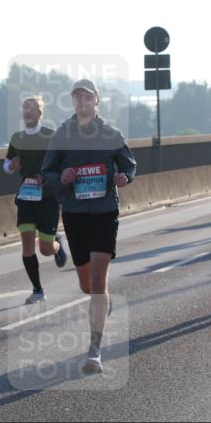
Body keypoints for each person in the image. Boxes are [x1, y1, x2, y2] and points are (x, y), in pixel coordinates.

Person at [42, 79, 136, 375]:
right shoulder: (62, 135)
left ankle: (94, 350)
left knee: (98, 282)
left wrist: (125, 177)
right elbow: (47, 171)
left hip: (105, 212)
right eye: (77, 97)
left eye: (87, 97)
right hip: (74, 213)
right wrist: (63, 177)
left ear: (97, 100)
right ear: (73, 102)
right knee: (87, 285)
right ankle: (100, 302)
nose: (82, 101)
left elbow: (129, 164)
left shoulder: (111, 134)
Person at [4, 96, 67, 304]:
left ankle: (56, 244)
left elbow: (60, 163)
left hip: (47, 197)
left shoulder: (51, 136)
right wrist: (11, 166)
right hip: (26, 197)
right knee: (27, 239)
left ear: (40, 113)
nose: (27, 112)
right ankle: (38, 289)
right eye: (25, 108)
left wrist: (46, 177)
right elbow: (6, 165)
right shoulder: (17, 138)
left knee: (45, 249)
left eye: (31, 109)